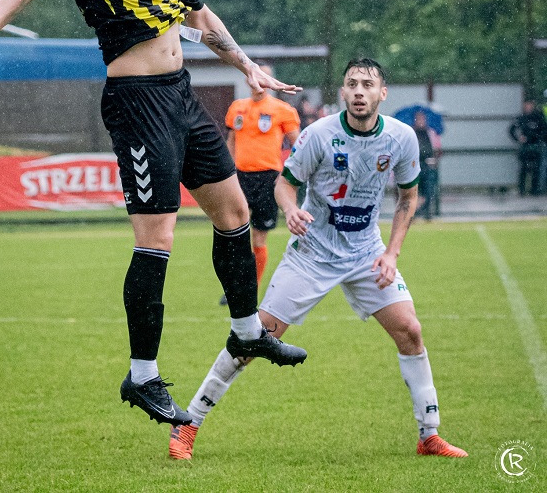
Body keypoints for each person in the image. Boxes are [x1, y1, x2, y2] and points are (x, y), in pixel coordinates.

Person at [0, 0, 307, 428]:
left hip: (181, 95)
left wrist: (248, 66)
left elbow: (201, 18)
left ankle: (247, 331)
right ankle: (142, 375)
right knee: (157, 238)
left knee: (235, 211)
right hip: (137, 104)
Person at [169, 57, 468, 460]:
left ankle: (429, 435)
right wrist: (291, 209)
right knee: (254, 338)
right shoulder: (319, 135)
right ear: (342, 92)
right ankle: (187, 425)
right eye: (352, 84)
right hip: (312, 254)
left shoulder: (401, 138)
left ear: (382, 93)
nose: (359, 91)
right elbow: (285, 184)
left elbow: (407, 199)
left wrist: (392, 253)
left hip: (367, 254)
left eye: (367, 85)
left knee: (410, 331)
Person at [220, 64, 300, 303]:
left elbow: (300, 146)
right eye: (256, 77)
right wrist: (229, 172)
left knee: (258, 238)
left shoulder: (282, 110)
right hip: (240, 178)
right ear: (248, 80)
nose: (259, 82)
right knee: (235, 235)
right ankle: (235, 286)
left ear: (271, 81)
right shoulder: (237, 108)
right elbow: (231, 141)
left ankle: (251, 288)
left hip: (268, 179)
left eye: (265, 77)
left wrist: (287, 175)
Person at [509, 100, 547, 197]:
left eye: (530, 105)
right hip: (525, 147)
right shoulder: (521, 118)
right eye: (526, 105)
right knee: (523, 169)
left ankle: (534, 190)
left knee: (536, 169)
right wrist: (518, 138)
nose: (528, 107)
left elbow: (544, 131)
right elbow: (511, 130)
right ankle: (522, 190)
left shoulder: (538, 117)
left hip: (536, 146)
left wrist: (537, 138)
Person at [412, 110, 440, 220]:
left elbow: (437, 149)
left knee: (428, 190)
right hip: (415, 166)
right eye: (418, 119)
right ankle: (415, 212)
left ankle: (426, 212)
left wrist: (434, 158)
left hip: (428, 166)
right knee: (415, 191)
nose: (421, 121)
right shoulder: (411, 132)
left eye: (422, 119)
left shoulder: (431, 132)